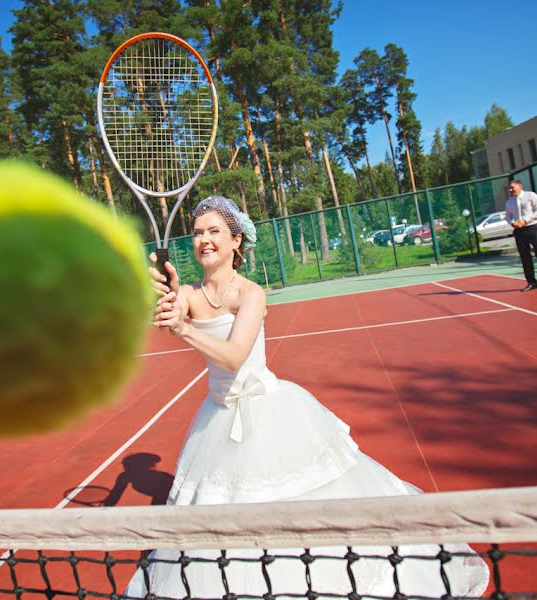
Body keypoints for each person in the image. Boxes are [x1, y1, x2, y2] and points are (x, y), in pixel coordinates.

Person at [125, 195, 489, 598]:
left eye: (214, 232)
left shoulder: (252, 294)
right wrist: (168, 295)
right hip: (218, 417)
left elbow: (233, 356)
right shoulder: (192, 294)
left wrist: (184, 329)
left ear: (235, 241)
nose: (204, 240)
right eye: (197, 233)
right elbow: (172, 312)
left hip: (269, 413)